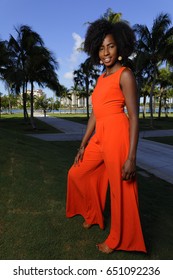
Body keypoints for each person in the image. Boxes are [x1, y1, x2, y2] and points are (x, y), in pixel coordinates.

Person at [66, 19, 146, 254]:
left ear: (119, 47)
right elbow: (95, 114)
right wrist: (83, 144)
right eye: (101, 48)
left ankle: (118, 239)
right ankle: (93, 213)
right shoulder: (101, 78)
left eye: (110, 46)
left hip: (118, 135)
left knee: (121, 191)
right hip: (99, 136)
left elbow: (133, 117)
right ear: (95, 51)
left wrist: (131, 157)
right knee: (77, 173)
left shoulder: (125, 75)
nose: (106, 52)